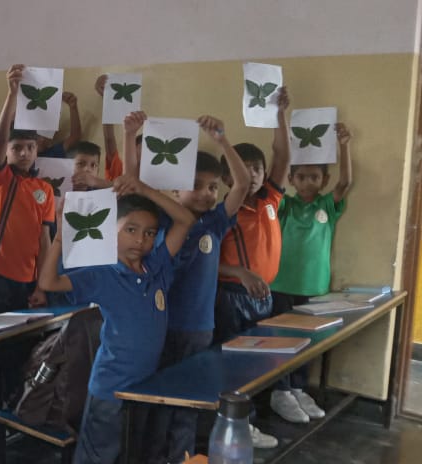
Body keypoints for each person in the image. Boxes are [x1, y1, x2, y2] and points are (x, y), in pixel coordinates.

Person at [38, 166, 194, 464]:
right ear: (110, 230)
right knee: (98, 456)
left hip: (144, 387)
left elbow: (185, 220)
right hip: (110, 389)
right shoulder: (103, 273)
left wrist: (143, 189)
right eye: (130, 230)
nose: (140, 240)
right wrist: (60, 239)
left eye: (149, 233)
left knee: (131, 453)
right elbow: (48, 283)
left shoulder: (156, 266)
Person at [137, 114, 251, 463]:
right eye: (196, 185)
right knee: (159, 401)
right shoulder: (163, 221)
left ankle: (181, 457)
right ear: (175, 190)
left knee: (188, 402)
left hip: (199, 329)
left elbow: (242, 184)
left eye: (213, 187)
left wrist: (222, 140)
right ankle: (155, 457)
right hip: (161, 326)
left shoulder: (214, 223)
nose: (207, 194)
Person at [215, 87, 292, 448]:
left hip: (264, 295)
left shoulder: (270, 199)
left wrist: (280, 114)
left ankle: (257, 413)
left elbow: (282, 156)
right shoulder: (225, 213)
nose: (253, 175)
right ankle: (240, 426)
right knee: (237, 363)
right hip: (232, 298)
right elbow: (207, 264)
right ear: (228, 177)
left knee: (261, 358)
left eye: (257, 168)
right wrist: (240, 274)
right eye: (243, 170)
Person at [267, 123, 353, 424]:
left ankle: (298, 388)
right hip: (281, 286)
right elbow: (273, 184)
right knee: (281, 339)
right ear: (291, 179)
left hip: (314, 288)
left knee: (307, 342)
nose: (307, 182)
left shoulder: (327, 204)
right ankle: (280, 391)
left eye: (314, 177)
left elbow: (346, 182)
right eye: (301, 177)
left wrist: (344, 144)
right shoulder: (285, 205)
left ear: (323, 180)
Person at [0, 64, 55, 316]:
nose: (24, 153)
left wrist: (41, 286)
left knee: (20, 335)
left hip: (26, 280)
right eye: (17, 148)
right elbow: (1, 137)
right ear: (8, 151)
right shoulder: (1, 177)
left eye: (30, 147)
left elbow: (45, 241)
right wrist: (12, 93)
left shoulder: (44, 189)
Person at [37, 91, 83, 158]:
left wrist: (73, 107)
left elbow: (75, 137)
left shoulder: (52, 153)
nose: (42, 139)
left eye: (46, 136)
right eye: (37, 136)